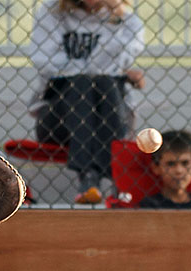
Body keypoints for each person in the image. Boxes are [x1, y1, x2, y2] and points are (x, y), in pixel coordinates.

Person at [29, 0, 145, 204]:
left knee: (104, 82)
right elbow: (45, 63)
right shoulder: (52, 12)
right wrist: (118, 73)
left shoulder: (128, 23)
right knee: (82, 82)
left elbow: (120, 61)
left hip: (105, 114)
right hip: (58, 122)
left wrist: (114, 13)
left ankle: (90, 177)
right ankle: (109, 174)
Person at [138, 130, 191, 209]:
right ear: (156, 168)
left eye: (185, 163)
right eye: (170, 164)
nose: (179, 170)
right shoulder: (150, 205)